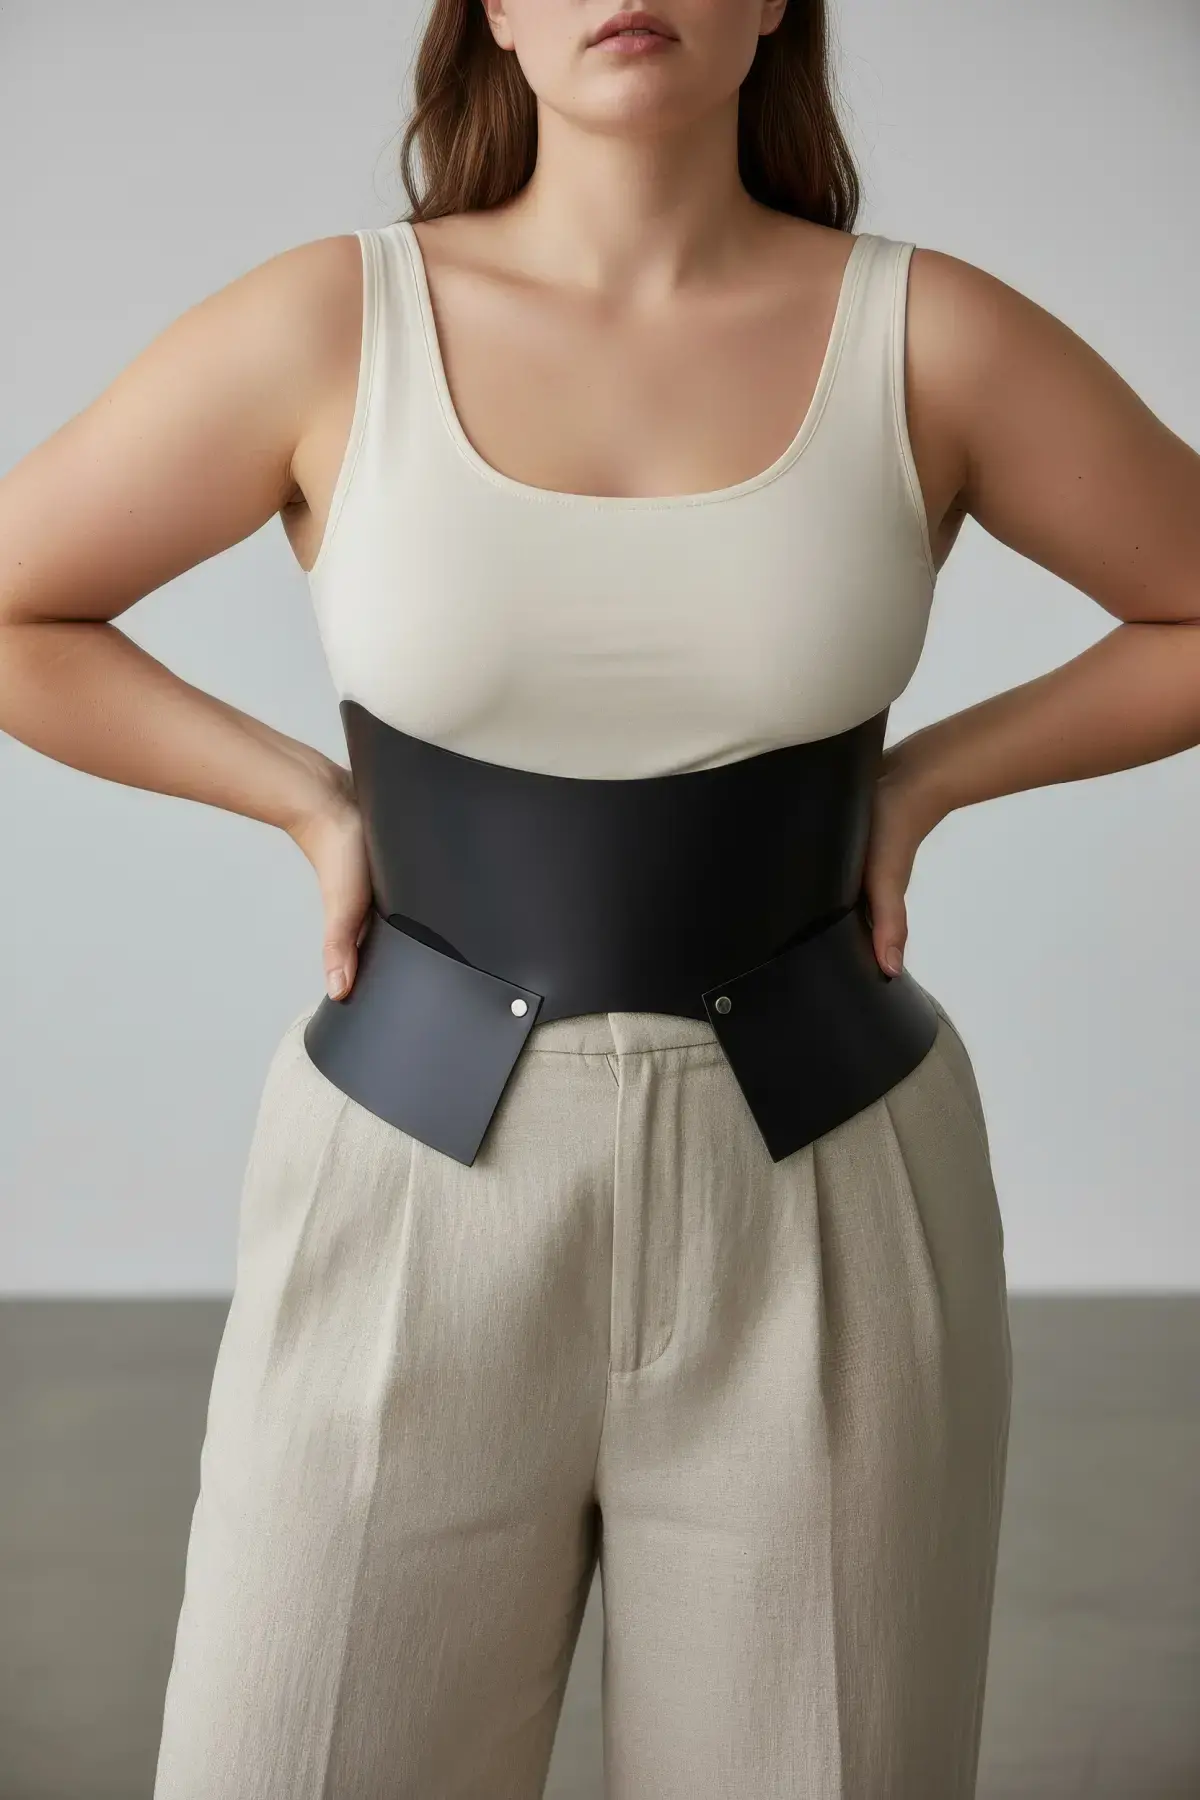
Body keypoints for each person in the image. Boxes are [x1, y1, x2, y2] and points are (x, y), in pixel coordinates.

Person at [0, 0, 1196, 1792]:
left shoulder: (925, 335)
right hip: (406, 1179)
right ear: (492, 7)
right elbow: (21, 598)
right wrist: (309, 804)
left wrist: (927, 780)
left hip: (826, 1184)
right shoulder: (335, 320)